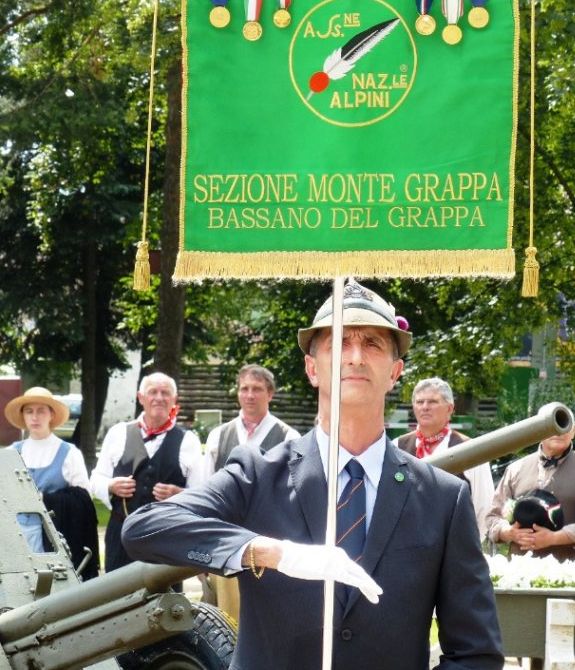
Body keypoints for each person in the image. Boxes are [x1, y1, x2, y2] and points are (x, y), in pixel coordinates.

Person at [122, 280, 504, 670]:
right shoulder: (258, 474)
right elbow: (145, 528)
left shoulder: (442, 498)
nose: (355, 357)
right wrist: (270, 552)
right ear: (312, 368)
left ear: (395, 372)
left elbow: (475, 653)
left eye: (372, 344)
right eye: (340, 342)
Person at [199, 364, 300, 622]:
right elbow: (205, 492)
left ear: (270, 394)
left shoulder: (289, 438)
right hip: (225, 543)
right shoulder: (218, 436)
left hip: (269, 543)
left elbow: (294, 499)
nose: (250, 395)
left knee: (268, 620)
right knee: (224, 622)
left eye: (257, 389)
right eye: (244, 389)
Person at [90, 372, 204, 572]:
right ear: (141, 398)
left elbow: (202, 494)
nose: (159, 398)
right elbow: (96, 478)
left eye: (165, 393)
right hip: (121, 535)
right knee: (117, 589)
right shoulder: (118, 433)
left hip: (168, 538)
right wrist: (111, 485)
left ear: (174, 399)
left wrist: (180, 494)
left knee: (166, 591)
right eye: (153, 392)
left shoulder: (188, 441)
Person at [5, 386, 99, 579]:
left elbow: (84, 501)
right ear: (23, 416)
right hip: (14, 536)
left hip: (53, 537)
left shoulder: (69, 453)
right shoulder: (10, 453)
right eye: (29, 411)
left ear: (51, 415)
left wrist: (47, 499)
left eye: (41, 411)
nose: (35, 417)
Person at [486, 422, 575, 562]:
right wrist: (508, 532)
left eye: (564, 425)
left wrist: (554, 538)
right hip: (518, 567)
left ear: (573, 431)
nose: (559, 431)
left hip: (568, 568)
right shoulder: (516, 469)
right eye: (552, 425)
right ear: (539, 430)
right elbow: (493, 516)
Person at [395, 377, 495, 541]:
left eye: (433, 401)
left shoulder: (471, 450)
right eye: (420, 402)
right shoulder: (397, 447)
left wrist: (465, 547)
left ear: (449, 409)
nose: (425, 407)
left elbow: (484, 509)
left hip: (454, 546)